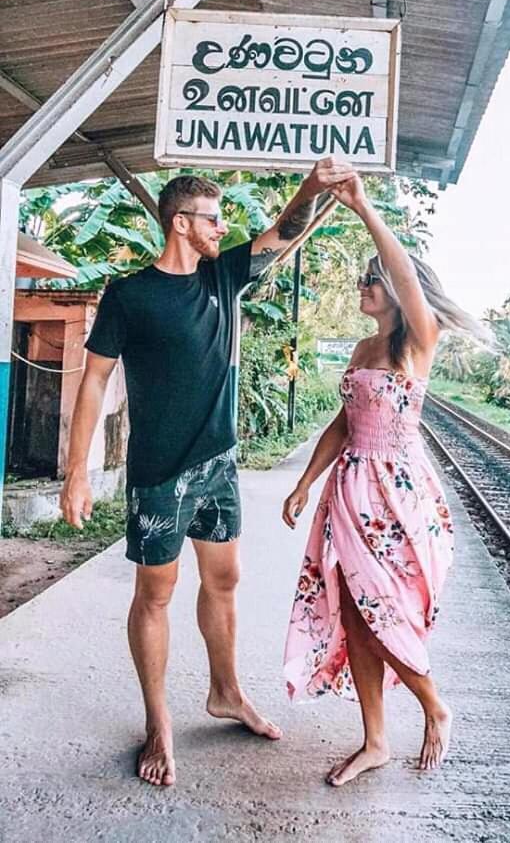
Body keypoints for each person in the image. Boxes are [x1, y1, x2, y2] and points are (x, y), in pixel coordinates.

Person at [60, 157, 356, 787]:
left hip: (218, 465)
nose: (223, 229)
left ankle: (225, 692)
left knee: (225, 580)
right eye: (213, 220)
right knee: (156, 595)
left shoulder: (223, 278)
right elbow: (93, 382)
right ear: (181, 223)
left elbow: (285, 230)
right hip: (159, 474)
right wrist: (76, 472)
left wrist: (311, 186)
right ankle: (158, 721)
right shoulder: (130, 294)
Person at [282, 172, 476, 786]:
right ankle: (375, 741)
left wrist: (363, 206)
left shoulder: (418, 341)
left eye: (370, 279)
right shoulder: (364, 350)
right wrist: (306, 480)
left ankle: (433, 703)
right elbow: (344, 422)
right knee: (355, 615)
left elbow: (409, 276)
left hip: (399, 494)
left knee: (386, 608)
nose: (360, 285)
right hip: (350, 489)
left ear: (394, 289)